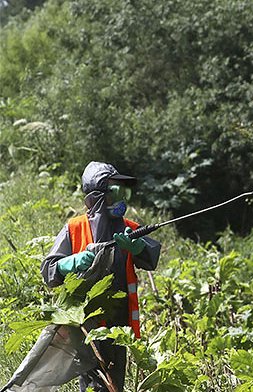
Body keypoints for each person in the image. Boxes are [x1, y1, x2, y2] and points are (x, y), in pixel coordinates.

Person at [41, 161, 161, 392]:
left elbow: (151, 257)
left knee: (115, 381)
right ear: (97, 196)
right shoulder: (74, 229)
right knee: (93, 384)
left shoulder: (130, 228)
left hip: (119, 327)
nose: (122, 199)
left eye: (124, 192)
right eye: (116, 192)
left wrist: (138, 248)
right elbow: (49, 271)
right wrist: (71, 262)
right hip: (86, 325)